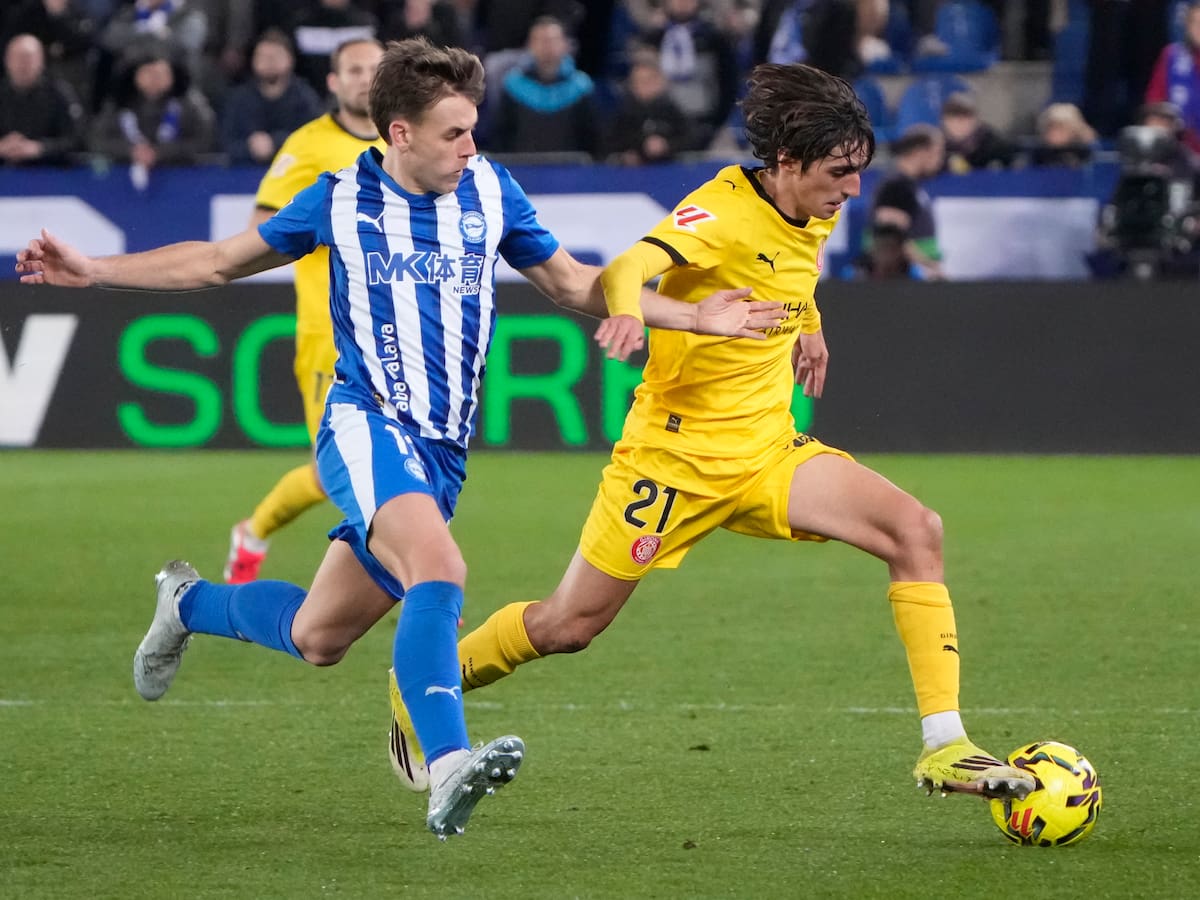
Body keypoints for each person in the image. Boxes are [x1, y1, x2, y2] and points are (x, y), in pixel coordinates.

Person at [16, 37, 785, 839]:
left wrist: (693, 314)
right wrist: (95, 268)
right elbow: (214, 263)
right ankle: (447, 763)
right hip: (364, 422)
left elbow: (574, 284)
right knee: (441, 567)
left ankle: (187, 602)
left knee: (319, 636)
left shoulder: (491, 190)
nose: (470, 146)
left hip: (443, 451)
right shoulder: (339, 198)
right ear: (400, 133)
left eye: (473, 127)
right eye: (454, 132)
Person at [385, 61, 1037, 809]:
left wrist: (810, 324)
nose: (852, 189)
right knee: (568, 625)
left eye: (858, 172)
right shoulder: (721, 209)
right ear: (787, 163)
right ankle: (426, 681)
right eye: (838, 173)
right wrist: (628, 312)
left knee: (916, 530)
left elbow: (795, 264)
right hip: (674, 460)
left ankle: (946, 745)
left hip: (766, 449)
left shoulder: (813, 201)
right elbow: (634, 261)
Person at [222, 37, 385, 583]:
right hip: (331, 339)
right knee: (341, 472)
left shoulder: (408, 142)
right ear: (333, 83)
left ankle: (254, 532)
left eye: (376, 68)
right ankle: (420, 582)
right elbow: (256, 235)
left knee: (387, 465)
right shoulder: (309, 144)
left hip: (400, 335)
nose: (366, 77)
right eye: (354, 69)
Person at [488, 15, 598, 157]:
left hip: (571, 172)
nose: (546, 46)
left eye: (552, 40)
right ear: (529, 45)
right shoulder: (513, 86)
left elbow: (591, 140)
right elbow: (502, 137)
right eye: (539, 40)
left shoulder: (581, 87)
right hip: (522, 170)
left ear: (565, 45)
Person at [218, 29, 324, 166]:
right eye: (262, 57)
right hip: (242, 174)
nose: (268, 62)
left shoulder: (305, 98)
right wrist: (250, 148)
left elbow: (314, 140)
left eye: (274, 57)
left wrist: (275, 143)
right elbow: (225, 142)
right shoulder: (239, 98)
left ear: (289, 60)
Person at [869, 122, 945, 279]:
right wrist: (929, 267)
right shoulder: (896, 186)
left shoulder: (910, 185)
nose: (940, 160)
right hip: (902, 281)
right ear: (920, 152)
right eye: (937, 153)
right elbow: (891, 239)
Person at [0, 32, 85, 166]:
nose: (23, 64)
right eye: (17, 58)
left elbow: (76, 140)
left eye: (28, 58)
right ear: (6, 60)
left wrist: (40, 148)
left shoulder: (59, 94)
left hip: (49, 173)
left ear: (41, 61)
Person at [1145, 0, 1200, 155]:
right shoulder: (1172, 55)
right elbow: (1154, 99)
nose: (1199, 28)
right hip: (1179, 146)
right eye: (1194, 22)